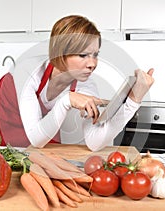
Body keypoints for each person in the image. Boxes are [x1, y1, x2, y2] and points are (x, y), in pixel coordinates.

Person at [17, 15, 154, 151]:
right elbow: (36, 139)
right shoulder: (27, 70)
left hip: (36, 138)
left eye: (95, 55)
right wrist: (67, 100)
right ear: (60, 53)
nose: (92, 64)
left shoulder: (86, 84)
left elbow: (94, 141)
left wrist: (134, 101)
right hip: (4, 121)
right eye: (83, 55)